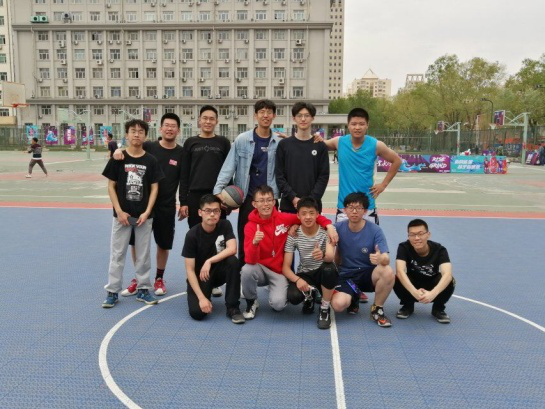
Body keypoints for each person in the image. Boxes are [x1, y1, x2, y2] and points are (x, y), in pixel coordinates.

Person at [323, 107, 401, 303]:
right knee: (340, 249)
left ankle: (362, 284)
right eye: (353, 124)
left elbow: (396, 161)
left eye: (361, 124)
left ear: (367, 125)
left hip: (367, 207)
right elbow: (315, 145)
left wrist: (383, 185)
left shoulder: (375, 145)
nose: (357, 127)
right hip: (344, 206)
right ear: (348, 125)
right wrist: (294, 139)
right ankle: (345, 283)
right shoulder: (339, 142)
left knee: (369, 250)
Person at [241, 185, 337, 320]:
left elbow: (308, 216)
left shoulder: (283, 218)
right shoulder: (250, 226)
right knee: (247, 270)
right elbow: (250, 260)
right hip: (260, 269)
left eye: (269, 200)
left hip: (278, 271)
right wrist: (255, 243)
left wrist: (329, 226)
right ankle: (251, 301)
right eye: (261, 200)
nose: (266, 204)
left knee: (278, 305)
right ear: (254, 204)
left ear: (274, 202)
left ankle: (277, 291)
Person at [115, 113, 183, 297]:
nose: (169, 129)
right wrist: (118, 150)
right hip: (142, 205)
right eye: (166, 125)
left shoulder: (181, 153)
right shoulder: (149, 146)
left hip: (166, 206)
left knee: (163, 243)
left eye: (173, 126)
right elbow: (132, 149)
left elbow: (184, 179)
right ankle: (139, 278)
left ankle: (159, 278)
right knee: (136, 244)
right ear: (160, 128)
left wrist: (184, 202)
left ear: (178, 130)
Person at [101, 119, 164, 308]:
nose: (137, 134)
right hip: (122, 217)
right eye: (133, 131)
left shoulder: (151, 161)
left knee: (143, 254)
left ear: (145, 136)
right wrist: (119, 211)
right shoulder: (118, 158)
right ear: (127, 134)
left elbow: (154, 188)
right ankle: (112, 291)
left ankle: (143, 289)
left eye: (140, 131)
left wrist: (147, 212)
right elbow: (111, 186)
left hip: (144, 217)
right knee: (117, 254)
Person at [213, 99, 283, 265]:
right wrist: (218, 190)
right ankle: (245, 273)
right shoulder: (242, 140)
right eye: (262, 112)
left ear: (274, 116)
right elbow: (229, 166)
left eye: (269, 112)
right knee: (247, 239)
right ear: (255, 115)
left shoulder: (280, 142)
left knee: (272, 241)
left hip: (270, 199)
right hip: (248, 199)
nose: (265, 115)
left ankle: (271, 273)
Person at [330, 192, 395, 327]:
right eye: (350, 207)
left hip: (367, 273)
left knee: (387, 271)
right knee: (338, 305)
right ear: (345, 210)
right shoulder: (337, 228)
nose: (354, 212)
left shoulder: (375, 230)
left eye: (358, 208)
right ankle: (354, 295)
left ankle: (377, 309)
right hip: (347, 275)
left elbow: (386, 258)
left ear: (365, 211)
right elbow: (319, 230)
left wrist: (380, 258)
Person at [182, 194, 245, 324]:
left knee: (233, 262)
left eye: (216, 211)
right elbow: (190, 270)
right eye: (208, 211)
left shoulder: (225, 225)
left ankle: (233, 307)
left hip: (219, 271)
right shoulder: (192, 235)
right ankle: (205, 293)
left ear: (220, 212)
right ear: (200, 212)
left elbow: (232, 249)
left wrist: (209, 261)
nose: (212, 214)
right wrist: (201, 298)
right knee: (197, 313)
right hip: (202, 276)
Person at [283, 197, 338, 329]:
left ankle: (324, 308)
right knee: (293, 297)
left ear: (318, 214)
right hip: (305, 273)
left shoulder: (326, 232)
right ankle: (310, 296)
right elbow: (285, 267)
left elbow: (330, 257)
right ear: (298, 215)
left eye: (311, 213)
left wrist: (322, 255)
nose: (308, 217)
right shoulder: (293, 234)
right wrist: (298, 280)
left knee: (329, 269)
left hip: (322, 273)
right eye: (304, 213)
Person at [393, 219, 455, 324]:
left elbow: (447, 274)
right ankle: (407, 305)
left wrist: (433, 293)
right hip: (413, 283)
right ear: (408, 236)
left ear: (428, 235)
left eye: (420, 234)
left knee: (450, 280)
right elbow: (400, 271)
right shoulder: (404, 247)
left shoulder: (439, 249)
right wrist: (414, 292)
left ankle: (438, 308)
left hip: (432, 283)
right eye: (412, 235)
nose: (417, 238)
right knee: (396, 277)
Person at [179, 105, 231, 228]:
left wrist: (228, 199)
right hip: (195, 196)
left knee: (218, 234)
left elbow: (229, 171)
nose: (208, 122)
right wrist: (183, 202)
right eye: (205, 118)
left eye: (211, 119)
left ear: (217, 121)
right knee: (195, 232)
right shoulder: (190, 142)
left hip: (217, 195)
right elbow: (184, 173)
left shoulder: (223, 142)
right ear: (199, 120)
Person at [275, 102, 329, 214]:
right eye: (299, 115)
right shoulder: (284, 145)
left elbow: (323, 177)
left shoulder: (320, 146)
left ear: (313, 118)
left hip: (313, 207)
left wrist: (310, 201)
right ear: (294, 118)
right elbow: (279, 176)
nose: (303, 119)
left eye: (307, 115)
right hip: (288, 206)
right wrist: (293, 198)